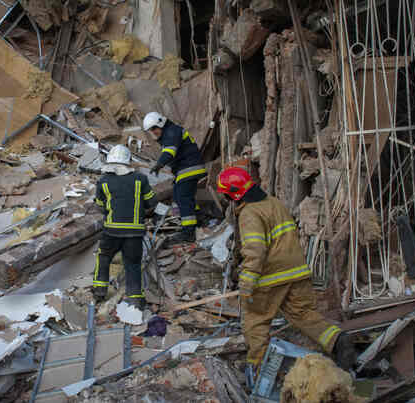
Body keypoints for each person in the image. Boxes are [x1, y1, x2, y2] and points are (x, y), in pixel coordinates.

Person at [216, 167, 356, 384]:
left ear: (232, 194)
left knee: (256, 323)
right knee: (304, 314)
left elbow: (255, 249)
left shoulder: (249, 213)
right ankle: (337, 340)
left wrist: (247, 282)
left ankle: (258, 372)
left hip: (270, 276)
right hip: (297, 271)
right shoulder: (274, 203)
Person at [93, 145, 157, 309]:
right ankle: (135, 299)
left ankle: (99, 290)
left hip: (111, 231)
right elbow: (151, 202)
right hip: (134, 232)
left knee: (104, 256)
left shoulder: (103, 182)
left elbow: (100, 206)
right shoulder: (140, 179)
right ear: (128, 162)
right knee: (132, 264)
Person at [143, 112, 206, 246]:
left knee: (182, 197)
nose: (153, 132)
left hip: (189, 168)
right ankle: (199, 219)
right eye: (151, 131)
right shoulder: (170, 133)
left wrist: (159, 164)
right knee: (180, 196)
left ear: (160, 123)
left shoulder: (171, 132)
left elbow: (170, 152)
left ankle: (188, 233)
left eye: (154, 129)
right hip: (186, 168)